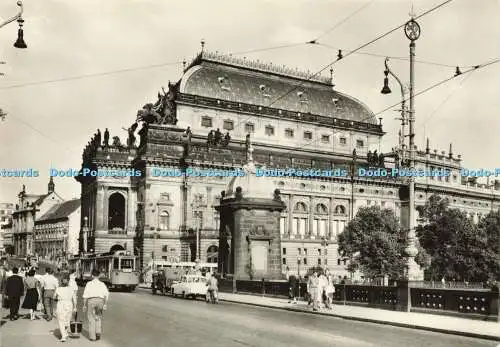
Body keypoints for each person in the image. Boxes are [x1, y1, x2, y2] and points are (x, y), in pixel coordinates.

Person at [82, 269, 109, 341]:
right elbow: (106, 295)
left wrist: (84, 305)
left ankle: (92, 337)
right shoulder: (102, 284)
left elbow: (85, 295)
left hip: (91, 301)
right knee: (98, 317)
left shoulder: (89, 284)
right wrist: (105, 304)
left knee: (91, 318)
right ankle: (98, 332)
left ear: (92, 275)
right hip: (100, 301)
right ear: (99, 275)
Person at [53, 275, 77, 342]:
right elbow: (74, 299)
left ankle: (63, 336)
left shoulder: (58, 289)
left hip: (61, 304)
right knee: (67, 320)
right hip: (69, 304)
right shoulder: (71, 289)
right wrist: (75, 307)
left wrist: (57, 298)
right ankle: (65, 333)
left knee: (61, 320)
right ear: (68, 281)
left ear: (61, 282)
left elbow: (54, 297)